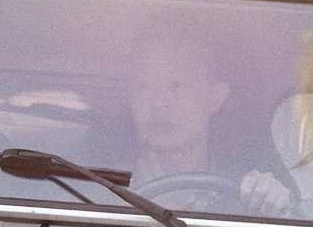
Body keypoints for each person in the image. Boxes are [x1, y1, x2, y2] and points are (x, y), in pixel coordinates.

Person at [125, 37, 297, 216]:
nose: (159, 102)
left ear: (215, 97)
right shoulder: (106, 193)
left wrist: (275, 204)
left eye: (175, 85)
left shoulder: (250, 200)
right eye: (143, 86)